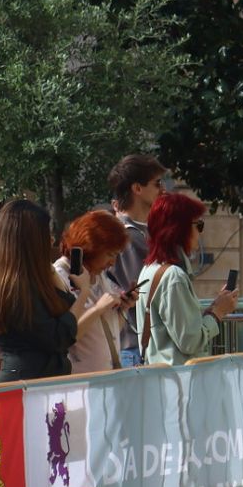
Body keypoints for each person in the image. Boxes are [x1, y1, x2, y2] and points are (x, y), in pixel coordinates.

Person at [0, 200, 90, 382]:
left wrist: (50, 270)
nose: (52, 240)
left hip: (40, 382)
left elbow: (64, 309)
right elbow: (60, 336)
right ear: (30, 242)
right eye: (46, 235)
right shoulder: (16, 290)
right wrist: (84, 293)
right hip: (27, 385)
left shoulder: (18, 280)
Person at [136, 192, 238, 366]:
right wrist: (217, 312)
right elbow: (190, 341)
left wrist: (213, 308)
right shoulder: (173, 276)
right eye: (198, 225)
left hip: (160, 378)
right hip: (179, 382)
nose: (200, 232)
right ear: (180, 228)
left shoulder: (149, 269)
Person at [52, 210, 133, 375]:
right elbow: (65, 337)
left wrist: (124, 308)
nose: (113, 262)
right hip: (79, 384)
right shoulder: (59, 276)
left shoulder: (100, 276)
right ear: (91, 248)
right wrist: (98, 308)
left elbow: (107, 331)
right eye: (110, 254)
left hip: (107, 379)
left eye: (117, 255)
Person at [108, 154, 167, 367]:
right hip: (135, 347)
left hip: (133, 345)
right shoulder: (129, 237)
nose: (163, 189)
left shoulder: (134, 232)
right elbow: (153, 294)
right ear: (137, 189)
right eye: (157, 183)